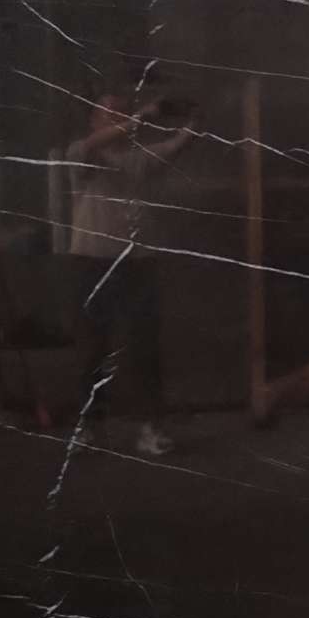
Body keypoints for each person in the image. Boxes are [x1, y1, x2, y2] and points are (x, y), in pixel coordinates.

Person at [64, 93, 194, 455]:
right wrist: (142, 116)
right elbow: (93, 145)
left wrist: (195, 124)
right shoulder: (81, 154)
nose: (117, 119)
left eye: (119, 113)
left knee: (143, 347)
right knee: (92, 348)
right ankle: (87, 428)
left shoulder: (137, 159)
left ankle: (149, 428)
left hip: (137, 263)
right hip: (92, 263)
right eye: (109, 114)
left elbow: (176, 145)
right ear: (94, 121)